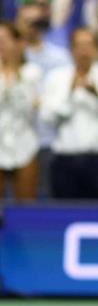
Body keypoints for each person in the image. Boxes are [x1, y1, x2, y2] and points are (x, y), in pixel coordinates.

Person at [40, 28, 98, 199]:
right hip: (65, 159)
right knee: (63, 214)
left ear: (97, 49)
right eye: (79, 46)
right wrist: (70, 92)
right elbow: (47, 118)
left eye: (89, 45)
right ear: (71, 49)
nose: (84, 51)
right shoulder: (57, 77)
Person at [0, 21, 41, 199]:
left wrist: (15, 74)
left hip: (25, 144)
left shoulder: (32, 73)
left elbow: (30, 109)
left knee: (26, 204)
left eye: (4, 40)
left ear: (18, 43)